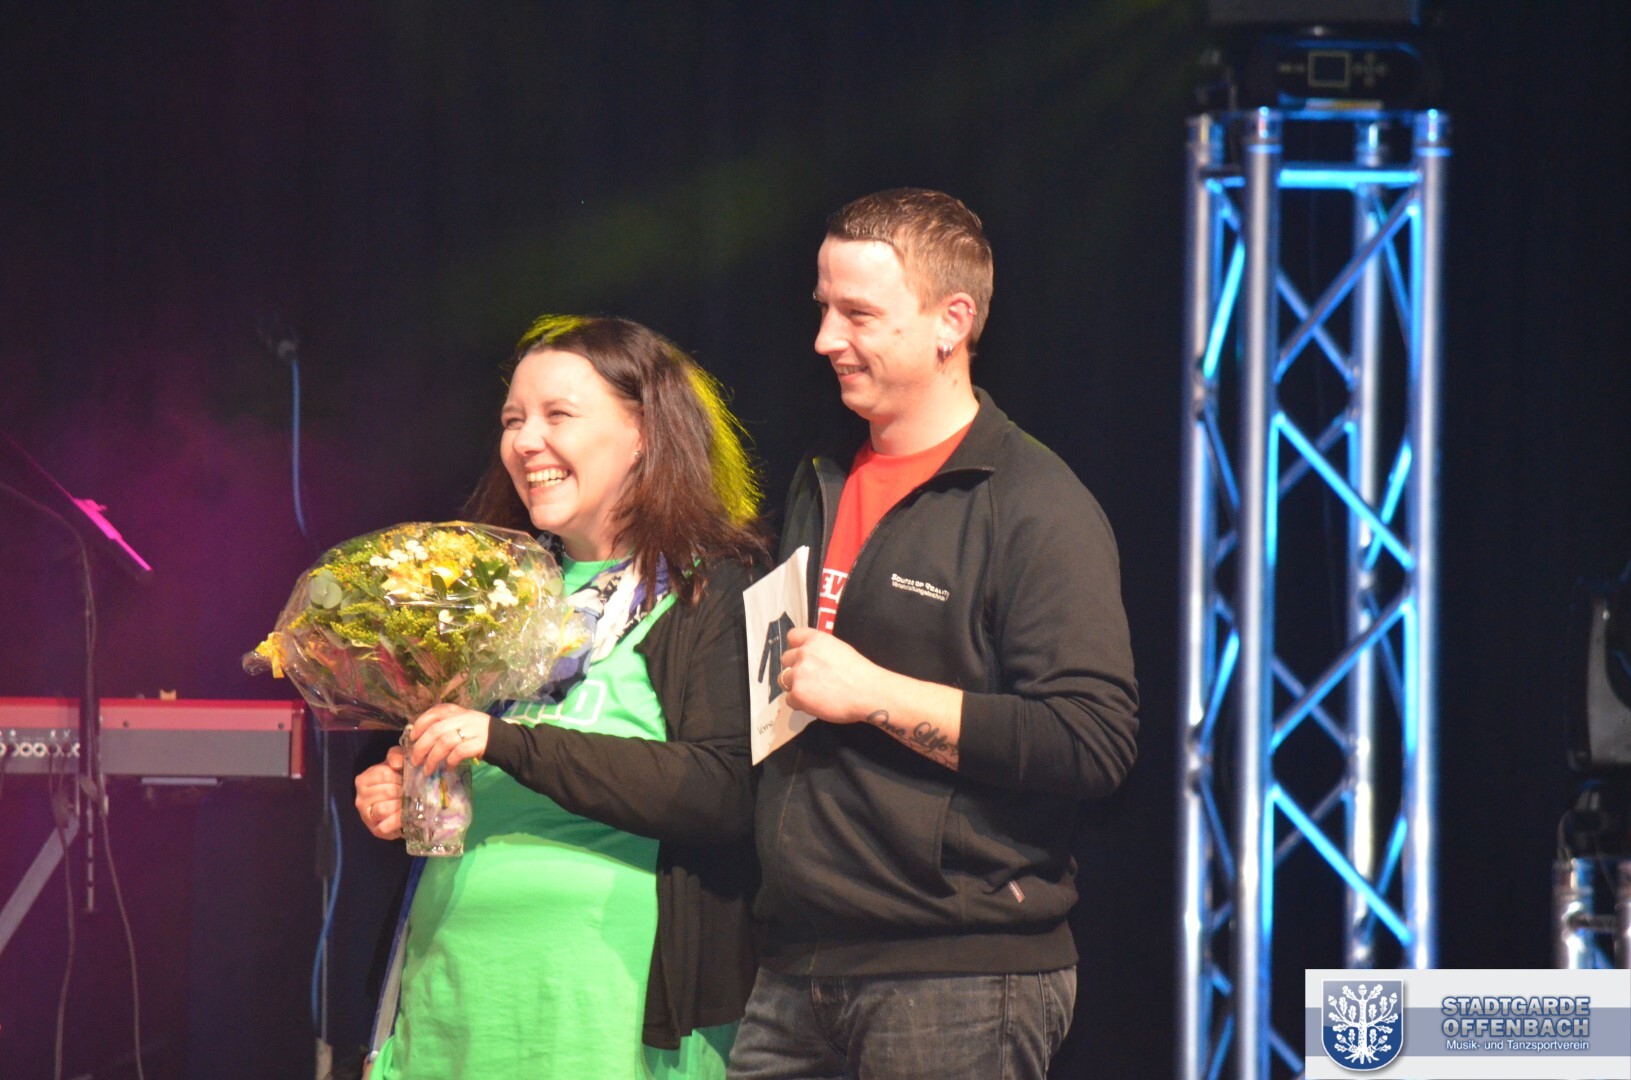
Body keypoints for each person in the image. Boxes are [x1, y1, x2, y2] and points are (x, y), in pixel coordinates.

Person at [727, 189, 1140, 1080]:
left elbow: (1091, 740)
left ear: (952, 321)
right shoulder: (819, 477)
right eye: (823, 308)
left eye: (857, 314)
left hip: (957, 977)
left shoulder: (1033, 504)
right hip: (795, 966)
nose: (824, 339)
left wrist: (874, 693)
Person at [353, 315, 765, 1078]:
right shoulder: (479, 590)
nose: (526, 441)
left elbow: (723, 789)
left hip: (607, 1007)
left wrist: (504, 743)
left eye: (557, 415)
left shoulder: (714, 586)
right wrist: (402, 784)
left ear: (642, 433)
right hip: (454, 991)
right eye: (513, 420)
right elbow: (452, 759)